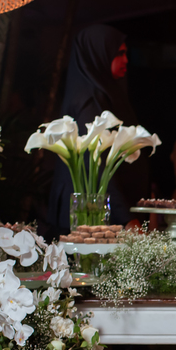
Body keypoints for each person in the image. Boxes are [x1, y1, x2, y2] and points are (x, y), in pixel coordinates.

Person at [48, 25, 147, 234]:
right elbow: (94, 162)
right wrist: (126, 218)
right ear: (98, 54)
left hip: (99, 214)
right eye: (119, 54)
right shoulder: (89, 100)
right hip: (89, 218)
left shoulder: (103, 93)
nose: (126, 60)